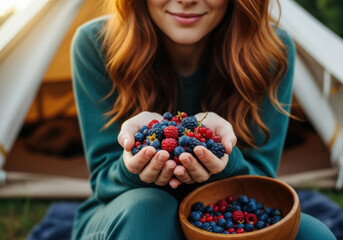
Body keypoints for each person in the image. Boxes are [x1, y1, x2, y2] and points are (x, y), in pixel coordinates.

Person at [70, 0, 336, 239]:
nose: (187, 1)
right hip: (124, 210)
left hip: (218, 213)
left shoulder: (271, 50)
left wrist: (225, 160)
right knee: (149, 209)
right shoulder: (95, 43)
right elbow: (103, 181)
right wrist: (133, 165)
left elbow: (261, 181)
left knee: (315, 235)